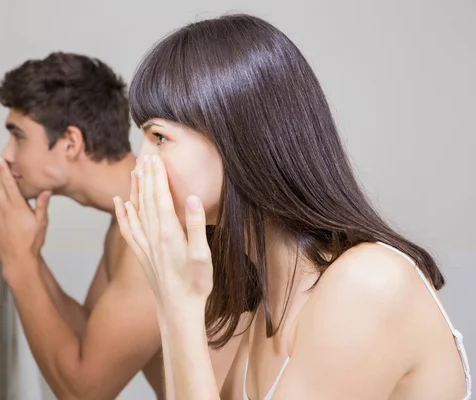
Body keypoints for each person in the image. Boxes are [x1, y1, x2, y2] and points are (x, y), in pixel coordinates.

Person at [113, 14, 472, 400]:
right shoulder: (263, 305)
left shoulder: (368, 284)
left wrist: (178, 306)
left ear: (238, 136)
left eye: (159, 137)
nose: (142, 162)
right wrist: (173, 304)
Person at [0, 52, 243, 399]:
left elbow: (86, 391)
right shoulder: (125, 219)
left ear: (71, 142)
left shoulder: (156, 224)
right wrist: (29, 257)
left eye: (18, 136)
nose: (6, 154)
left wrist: (18, 263)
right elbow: (91, 334)